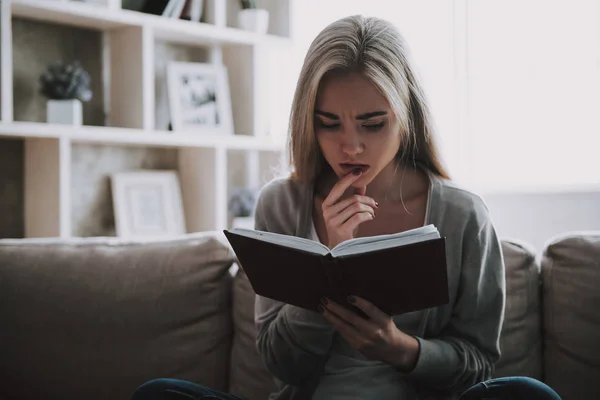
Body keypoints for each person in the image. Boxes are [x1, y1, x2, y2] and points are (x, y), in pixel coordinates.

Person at [131, 15, 562, 400]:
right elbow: (282, 365)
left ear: (405, 114)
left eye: (373, 124)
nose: (350, 146)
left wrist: (402, 349)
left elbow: (477, 364)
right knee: (159, 394)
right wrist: (325, 267)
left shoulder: (463, 215)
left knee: (529, 395)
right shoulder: (281, 204)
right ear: (308, 119)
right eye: (328, 123)